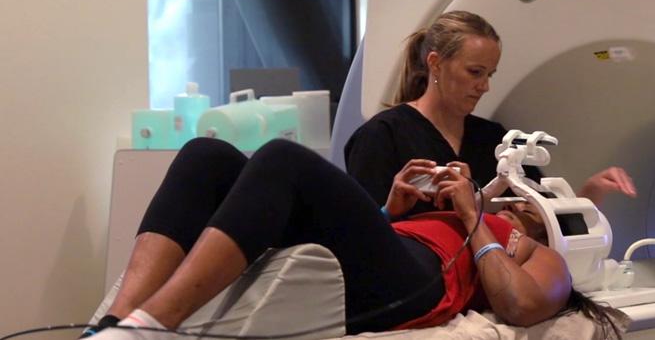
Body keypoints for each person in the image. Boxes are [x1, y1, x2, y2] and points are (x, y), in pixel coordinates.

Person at [83, 138, 621, 339]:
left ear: (539, 217)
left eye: (523, 202)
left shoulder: (532, 249)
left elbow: (522, 306)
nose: (512, 199)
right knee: (207, 155)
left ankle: (149, 330)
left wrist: (474, 214)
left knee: (283, 158)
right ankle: (113, 329)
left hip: (420, 281)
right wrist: (387, 210)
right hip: (390, 255)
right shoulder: (456, 218)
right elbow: (368, 248)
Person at [344, 10, 636, 216]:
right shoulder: (381, 136)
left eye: (490, 74)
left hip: (495, 283)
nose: (484, 86)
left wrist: (589, 194)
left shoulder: (494, 138)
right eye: (475, 72)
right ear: (435, 63)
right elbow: (363, 236)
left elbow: (544, 221)